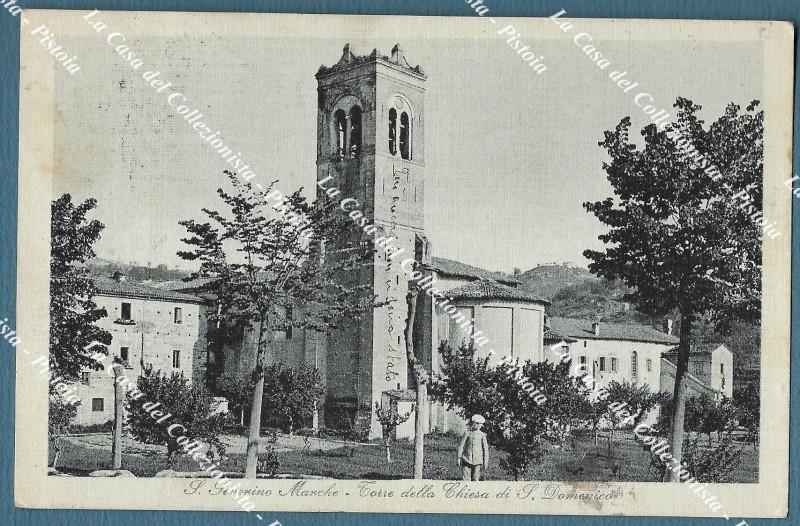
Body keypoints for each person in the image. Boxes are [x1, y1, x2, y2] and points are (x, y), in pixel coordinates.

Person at [457, 414, 489, 481]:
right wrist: (459, 457)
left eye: (480, 424)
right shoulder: (467, 433)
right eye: (477, 423)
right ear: (473, 423)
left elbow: (486, 449)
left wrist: (485, 461)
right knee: (466, 479)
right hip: (466, 459)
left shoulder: (482, 435)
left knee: (475, 479)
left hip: (478, 460)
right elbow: (461, 445)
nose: (478, 425)